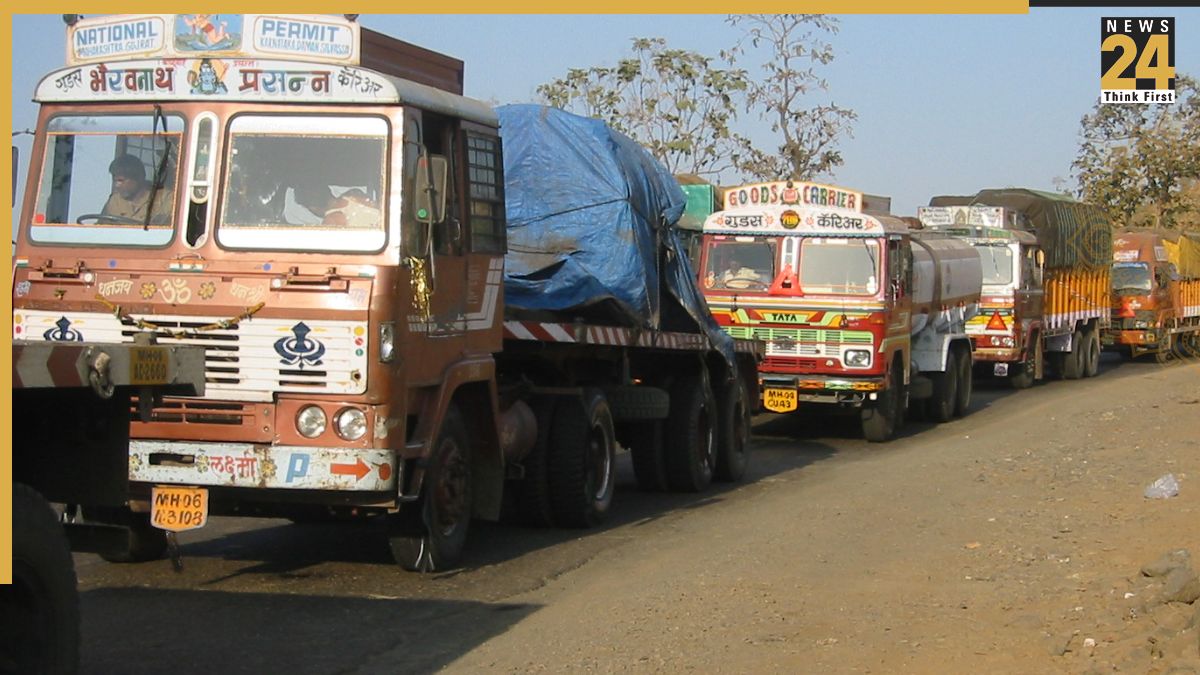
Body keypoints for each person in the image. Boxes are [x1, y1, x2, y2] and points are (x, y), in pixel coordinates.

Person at [102, 154, 172, 224]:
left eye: (121, 180)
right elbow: (101, 227)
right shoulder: (114, 201)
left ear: (139, 178)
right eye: (115, 180)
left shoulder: (165, 199)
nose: (116, 185)